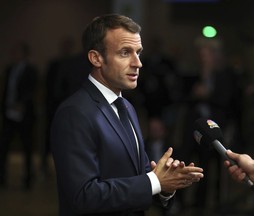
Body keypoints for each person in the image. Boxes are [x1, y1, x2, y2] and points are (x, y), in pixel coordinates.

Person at [51, 14, 204, 216]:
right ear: (96, 58)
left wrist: (165, 185)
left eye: (138, 53)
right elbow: (83, 195)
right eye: (125, 53)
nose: (137, 63)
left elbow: (138, 180)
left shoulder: (127, 107)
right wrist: (154, 181)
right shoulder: (74, 113)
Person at [0, 42, 38, 189]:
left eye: (17, 51)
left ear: (24, 54)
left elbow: (32, 90)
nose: (14, 54)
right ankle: (2, 177)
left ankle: (28, 178)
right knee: (4, 146)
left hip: (25, 115)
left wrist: (21, 103)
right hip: (9, 114)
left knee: (27, 147)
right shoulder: (9, 69)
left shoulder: (31, 70)